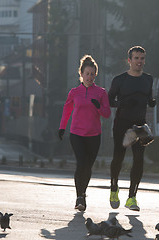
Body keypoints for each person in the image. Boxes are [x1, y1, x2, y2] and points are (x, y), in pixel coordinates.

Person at [58, 55, 111, 211]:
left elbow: (107, 114)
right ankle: (79, 197)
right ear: (81, 74)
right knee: (81, 163)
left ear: (96, 75)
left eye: (92, 74)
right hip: (77, 134)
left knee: (88, 166)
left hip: (94, 135)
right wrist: (62, 127)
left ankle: (83, 193)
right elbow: (67, 110)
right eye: (87, 73)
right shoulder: (74, 92)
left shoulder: (101, 92)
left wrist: (98, 107)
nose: (89, 77)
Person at [108, 46, 156, 211]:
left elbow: (149, 97)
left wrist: (151, 102)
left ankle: (132, 198)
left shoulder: (148, 79)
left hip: (140, 125)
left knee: (139, 160)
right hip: (122, 124)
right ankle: (114, 188)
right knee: (118, 158)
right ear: (129, 60)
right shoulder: (119, 80)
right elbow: (109, 101)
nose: (139, 62)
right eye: (136, 58)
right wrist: (122, 103)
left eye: (142, 58)